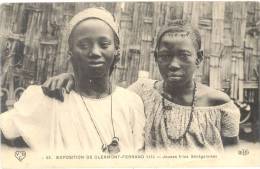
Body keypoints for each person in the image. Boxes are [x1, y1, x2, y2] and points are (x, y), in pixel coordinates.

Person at [42, 20, 240, 152]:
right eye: (164, 56)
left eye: (184, 55)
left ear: (199, 58)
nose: (173, 64)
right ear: (155, 58)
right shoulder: (142, 92)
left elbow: (233, 158)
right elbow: (106, 98)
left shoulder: (219, 104)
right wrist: (73, 78)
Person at [0, 7, 145, 153]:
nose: (94, 52)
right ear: (70, 52)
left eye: (104, 44)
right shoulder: (50, 98)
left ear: (116, 51)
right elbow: (5, 130)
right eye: (83, 45)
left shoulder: (131, 103)